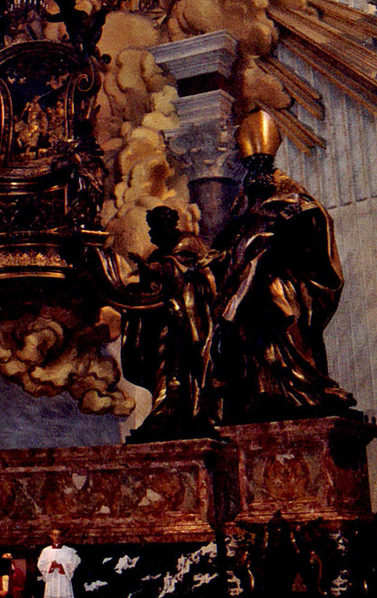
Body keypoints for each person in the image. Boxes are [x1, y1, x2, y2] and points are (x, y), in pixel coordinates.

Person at [211, 110, 355, 423]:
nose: (256, 171)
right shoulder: (245, 202)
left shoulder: (291, 194)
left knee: (275, 305)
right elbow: (228, 241)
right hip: (249, 283)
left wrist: (279, 240)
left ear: (271, 165)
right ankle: (260, 391)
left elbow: (314, 227)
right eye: (251, 165)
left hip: (285, 280)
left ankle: (301, 385)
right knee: (249, 319)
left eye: (261, 164)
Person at [121, 206, 217, 438]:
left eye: (156, 227)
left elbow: (182, 268)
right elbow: (154, 284)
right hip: (166, 319)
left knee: (182, 365)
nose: (153, 234)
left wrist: (151, 269)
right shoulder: (158, 253)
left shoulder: (187, 242)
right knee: (164, 363)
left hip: (189, 318)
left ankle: (181, 412)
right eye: (151, 229)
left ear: (168, 224)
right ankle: (164, 411)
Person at [37, 528, 80, 598]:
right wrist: (51, 566)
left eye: (59, 535)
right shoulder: (46, 551)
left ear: (63, 537)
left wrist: (61, 566)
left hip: (63, 582)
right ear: (50, 536)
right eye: (54, 535)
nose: (57, 538)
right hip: (52, 582)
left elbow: (72, 565)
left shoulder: (68, 551)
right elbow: (41, 565)